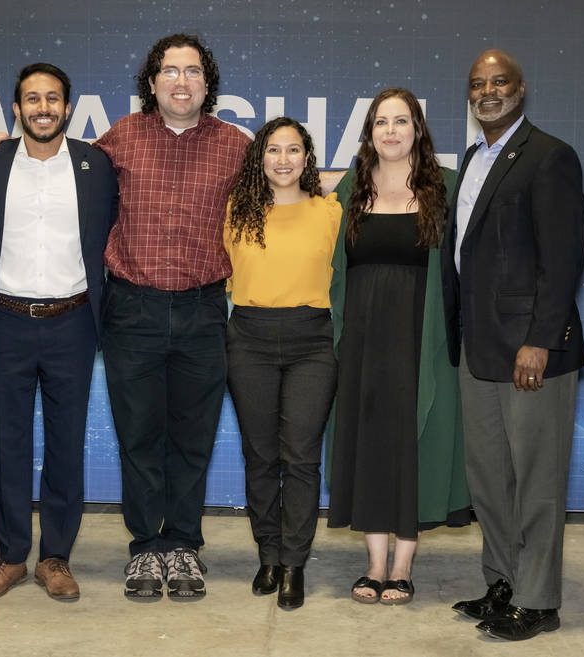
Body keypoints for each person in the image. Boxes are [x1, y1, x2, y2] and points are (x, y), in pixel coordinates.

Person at [95, 34, 251, 601]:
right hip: (131, 310)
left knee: (192, 437)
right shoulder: (119, 139)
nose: (180, 81)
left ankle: (183, 543)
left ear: (207, 83)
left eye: (192, 71)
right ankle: (144, 548)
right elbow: (55, 168)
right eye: (169, 71)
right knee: (139, 436)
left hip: (203, 310)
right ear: (152, 82)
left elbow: (296, 187)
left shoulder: (237, 145)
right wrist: (1, 143)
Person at [440, 49, 584, 641]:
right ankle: (502, 580)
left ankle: (539, 599)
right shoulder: (474, 157)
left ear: (520, 90)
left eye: (499, 82)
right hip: (478, 347)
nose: (488, 92)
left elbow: (564, 259)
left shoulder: (549, 157)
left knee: (537, 480)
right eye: (477, 84)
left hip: (531, 353)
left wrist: (541, 342)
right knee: (490, 478)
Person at [0, 63, 118, 602]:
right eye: (32, 99)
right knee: (8, 445)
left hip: (73, 324)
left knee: (65, 446)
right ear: (16, 109)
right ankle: (10, 557)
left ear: (68, 108)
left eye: (53, 98)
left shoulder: (96, 165)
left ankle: (55, 557)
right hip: (5, 321)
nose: (43, 108)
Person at [326, 87, 470, 606]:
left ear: (418, 130)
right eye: (381, 121)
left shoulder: (448, 188)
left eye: (401, 121)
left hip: (422, 339)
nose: (391, 131)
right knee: (369, 445)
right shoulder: (349, 190)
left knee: (415, 442)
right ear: (369, 132)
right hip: (362, 342)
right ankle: (373, 563)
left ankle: (403, 566)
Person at [223, 117, 341, 610]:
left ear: (308, 159)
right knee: (260, 456)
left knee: (301, 458)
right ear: (260, 158)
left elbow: (374, 174)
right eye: (274, 150)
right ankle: (268, 554)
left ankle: (294, 562)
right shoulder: (236, 211)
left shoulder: (329, 211)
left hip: (311, 342)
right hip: (248, 338)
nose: (284, 159)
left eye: (294, 150)